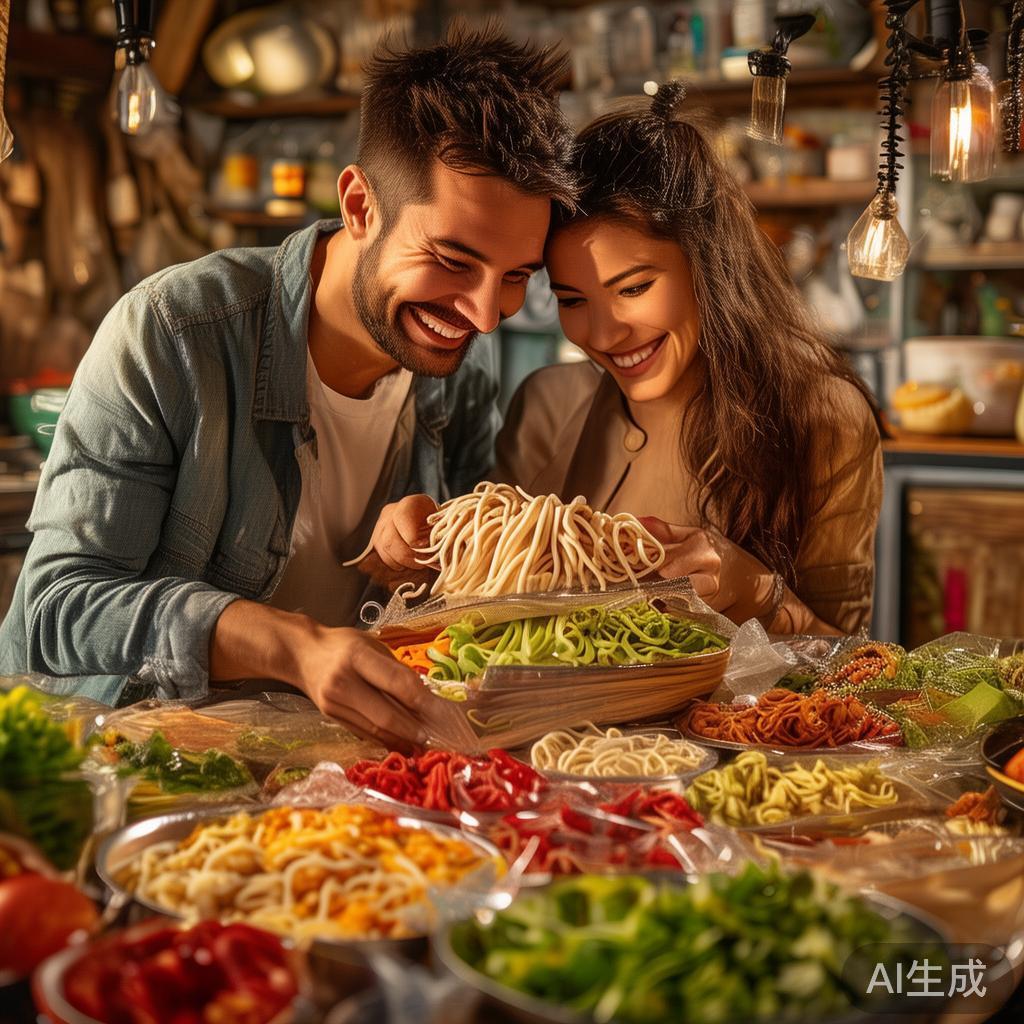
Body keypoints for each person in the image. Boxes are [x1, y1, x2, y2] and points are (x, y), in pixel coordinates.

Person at [0, 26, 577, 747]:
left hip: (318, 774)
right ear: (360, 205)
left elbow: (440, 622)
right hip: (117, 762)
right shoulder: (176, 332)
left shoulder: (457, 368)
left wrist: (416, 561)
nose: (487, 314)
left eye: (516, 275)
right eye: (453, 260)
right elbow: (59, 607)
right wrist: (287, 645)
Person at [371, 83, 882, 636]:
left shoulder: (822, 417)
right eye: (572, 300)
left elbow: (854, 668)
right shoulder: (547, 405)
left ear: (707, 271)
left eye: (634, 288)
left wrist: (758, 590)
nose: (605, 333)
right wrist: (419, 555)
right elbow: (479, 612)